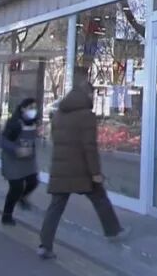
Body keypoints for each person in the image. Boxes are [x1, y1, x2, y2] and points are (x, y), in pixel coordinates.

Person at [38, 81, 129, 260]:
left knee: (55, 207)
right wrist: (95, 173)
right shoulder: (86, 116)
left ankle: (44, 245)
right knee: (100, 198)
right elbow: (90, 147)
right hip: (82, 170)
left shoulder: (58, 115)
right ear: (87, 95)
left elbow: (55, 140)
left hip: (61, 169)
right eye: (92, 95)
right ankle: (114, 231)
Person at [0, 97, 40, 225]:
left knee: (33, 182)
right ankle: (7, 216)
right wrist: (16, 149)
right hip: (12, 160)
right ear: (22, 109)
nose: (33, 110)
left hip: (28, 161)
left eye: (35, 108)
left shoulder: (34, 123)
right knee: (16, 188)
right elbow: (1, 141)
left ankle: (22, 198)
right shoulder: (14, 123)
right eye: (30, 108)